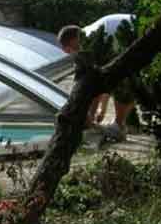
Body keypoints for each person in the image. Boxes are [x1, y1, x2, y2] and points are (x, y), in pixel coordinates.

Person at [57, 13, 136, 141]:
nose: (72, 53)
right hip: (135, 28)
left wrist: (89, 115)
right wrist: (97, 113)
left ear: (68, 46)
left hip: (134, 35)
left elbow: (94, 82)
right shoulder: (89, 32)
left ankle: (119, 126)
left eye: (70, 50)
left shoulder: (89, 43)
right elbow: (98, 81)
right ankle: (126, 123)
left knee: (122, 82)